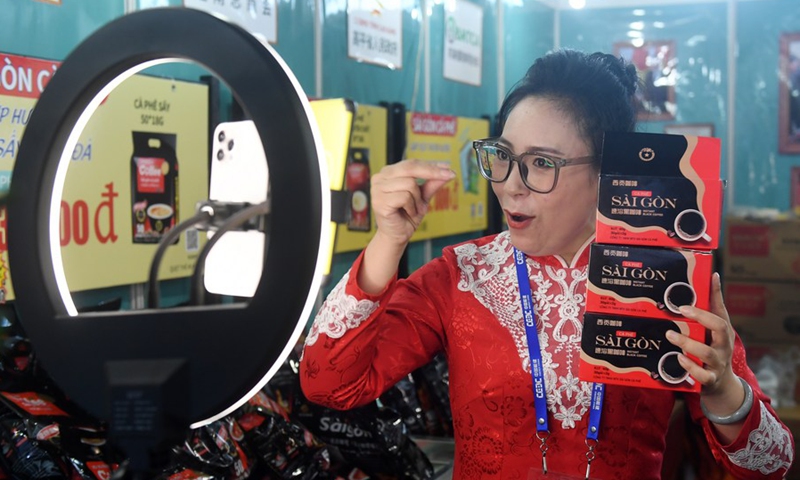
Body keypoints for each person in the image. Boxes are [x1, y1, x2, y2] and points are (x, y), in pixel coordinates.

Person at [298, 49, 795, 479]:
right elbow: (328, 383)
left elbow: (770, 464)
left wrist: (724, 388)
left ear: (607, 173)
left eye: (542, 163)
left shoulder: (666, 280)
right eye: (503, 156)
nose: (511, 183)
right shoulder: (460, 275)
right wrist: (388, 240)